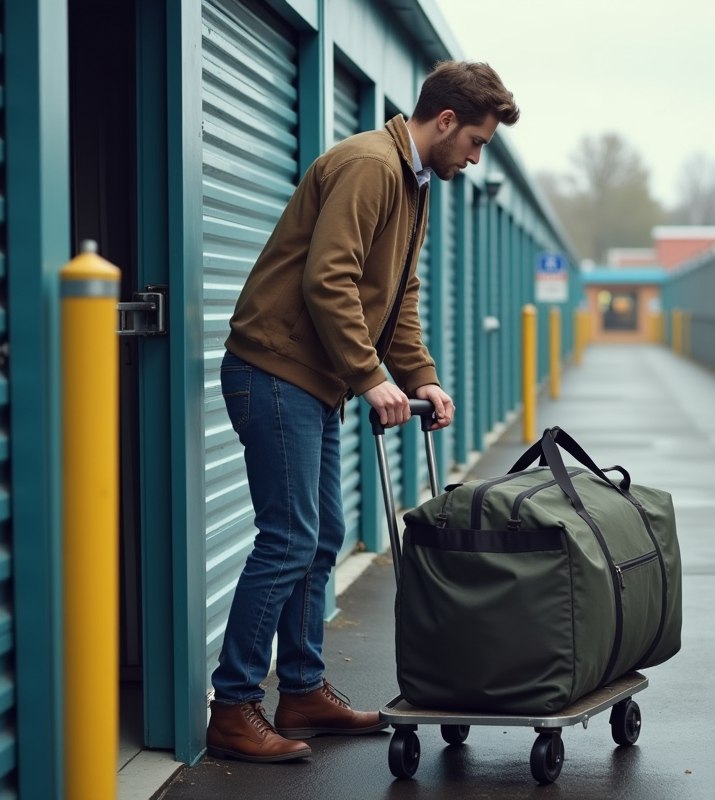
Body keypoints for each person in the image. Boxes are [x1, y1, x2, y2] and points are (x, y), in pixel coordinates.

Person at [205, 61, 520, 762]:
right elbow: (330, 279)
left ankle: (301, 691)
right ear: (445, 121)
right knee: (289, 538)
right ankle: (232, 707)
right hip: (275, 369)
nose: (476, 158)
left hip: (312, 380)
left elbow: (397, 296)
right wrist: (371, 376)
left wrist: (421, 377)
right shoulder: (371, 166)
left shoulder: (413, 182)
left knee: (321, 536)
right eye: (476, 142)